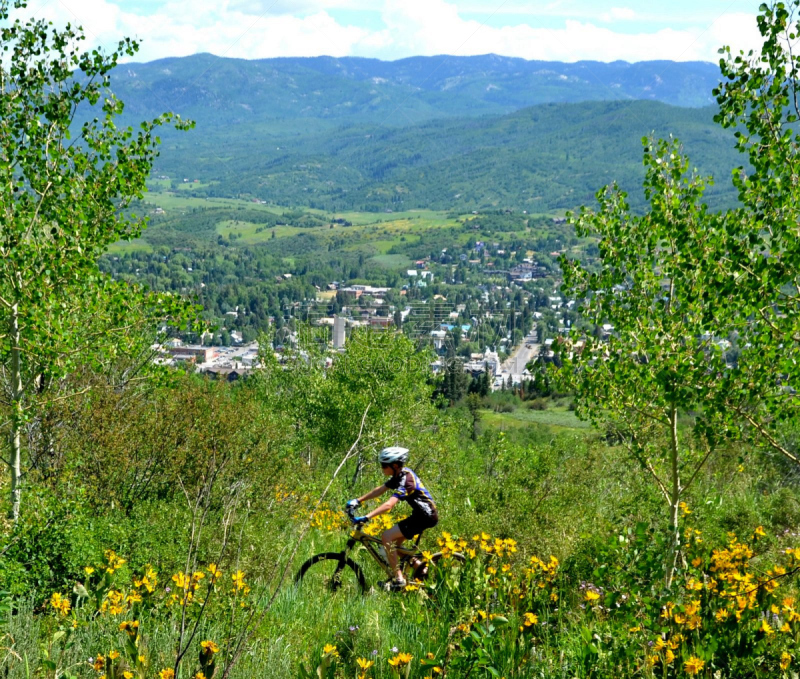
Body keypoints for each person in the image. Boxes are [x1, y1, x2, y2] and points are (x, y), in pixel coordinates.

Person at [347, 446, 438, 591]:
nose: (382, 468)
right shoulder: (400, 475)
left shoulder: (406, 481)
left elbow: (389, 505)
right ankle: (417, 566)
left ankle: (399, 579)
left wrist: (366, 517)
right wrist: (358, 500)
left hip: (425, 517)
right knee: (393, 546)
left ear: (395, 465)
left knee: (386, 537)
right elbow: (380, 489)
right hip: (420, 515)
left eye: (384, 465)